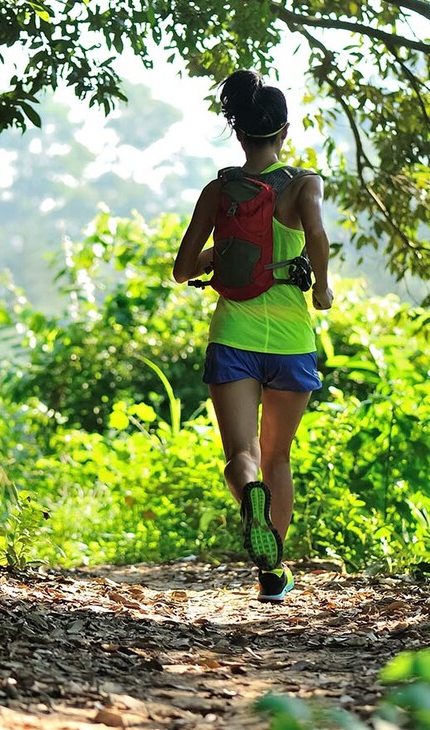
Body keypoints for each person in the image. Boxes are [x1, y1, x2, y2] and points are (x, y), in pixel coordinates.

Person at [172, 70, 333, 602]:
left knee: (240, 455)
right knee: (278, 456)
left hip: (234, 332)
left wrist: (228, 255)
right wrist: (322, 290)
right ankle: (272, 573)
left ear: (238, 134)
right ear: (283, 132)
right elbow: (317, 236)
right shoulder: (305, 184)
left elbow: (181, 268)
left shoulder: (218, 191)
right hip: (290, 341)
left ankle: (251, 500)